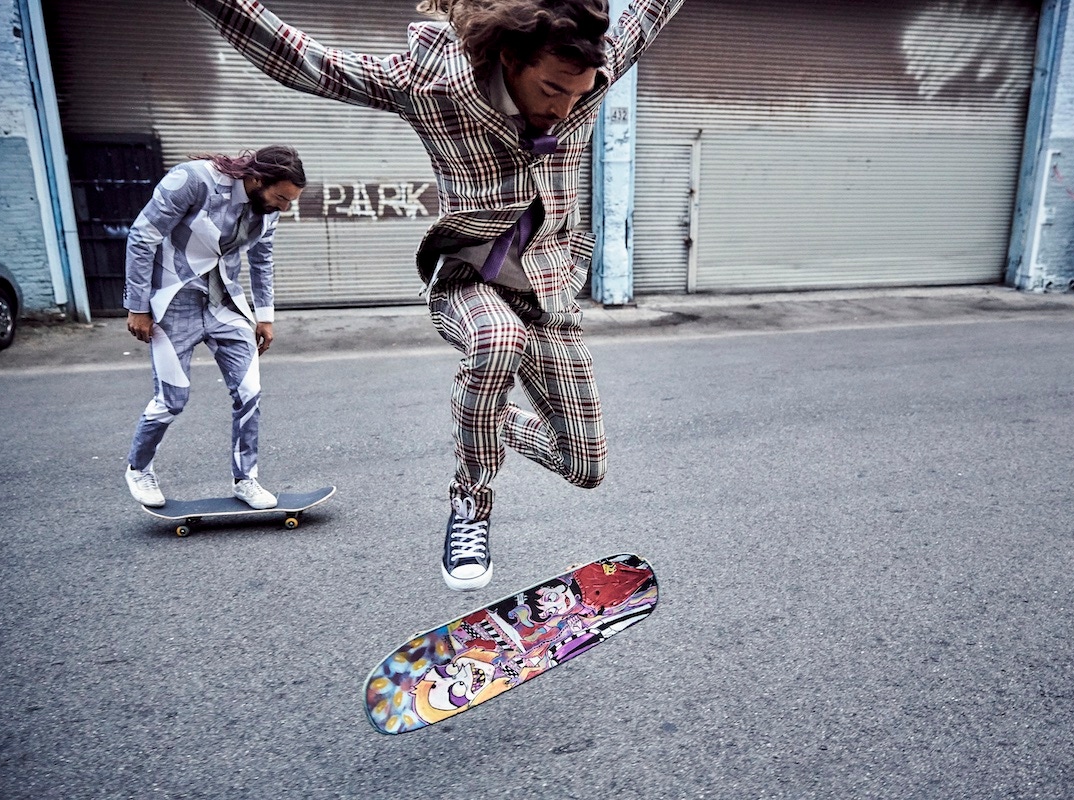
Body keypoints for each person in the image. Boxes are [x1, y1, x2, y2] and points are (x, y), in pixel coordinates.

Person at [185, 0, 686, 590]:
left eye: (579, 96)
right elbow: (310, 62)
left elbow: (652, 11)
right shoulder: (433, 83)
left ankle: (483, 416)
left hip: (549, 289)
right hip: (467, 280)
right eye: (552, 89)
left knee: (585, 466)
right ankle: (470, 502)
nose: (564, 109)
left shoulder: (588, 76)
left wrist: (581, 88)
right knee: (498, 341)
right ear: (509, 57)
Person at [123, 145, 306, 511]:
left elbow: (261, 259)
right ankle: (139, 468)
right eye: (281, 198)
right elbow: (143, 237)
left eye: (290, 202)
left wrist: (265, 316)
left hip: (226, 304)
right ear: (256, 179)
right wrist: (137, 307)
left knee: (250, 392)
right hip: (174, 304)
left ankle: (246, 479)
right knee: (171, 400)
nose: (284, 208)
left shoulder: (267, 209)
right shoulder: (192, 181)